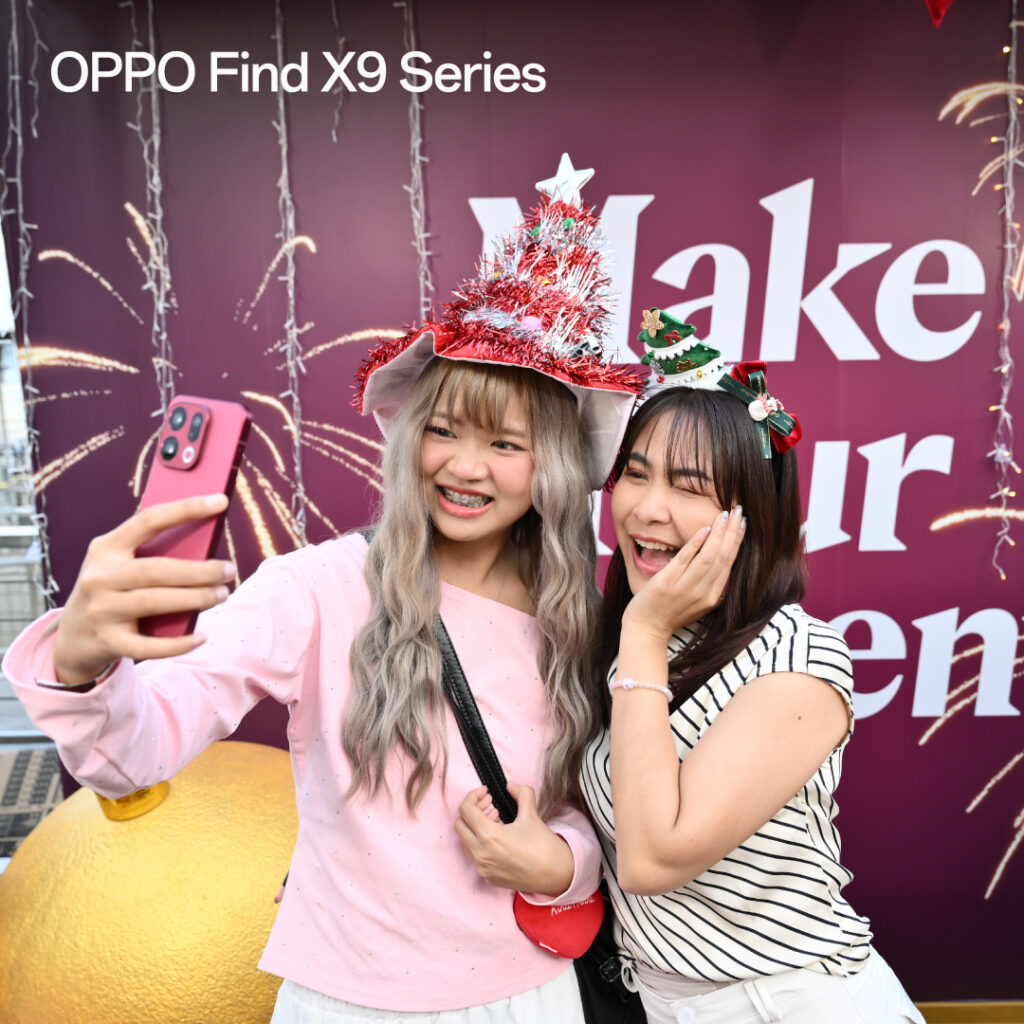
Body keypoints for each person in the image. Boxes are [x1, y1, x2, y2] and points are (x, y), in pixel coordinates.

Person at [3, 158, 644, 1023]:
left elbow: (593, 813)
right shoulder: (317, 590)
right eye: (444, 429)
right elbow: (134, 756)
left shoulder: (579, 621)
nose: (464, 466)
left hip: (528, 996)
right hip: (347, 1002)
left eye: (506, 444)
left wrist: (559, 865)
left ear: (554, 468)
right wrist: (84, 671)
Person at [579, 307, 925, 1024]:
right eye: (635, 475)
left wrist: (644, 635)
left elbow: (652, 858)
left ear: (752, 512)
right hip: (665, 1006)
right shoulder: (627, 638)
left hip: (789, 1004)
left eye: (689, 486)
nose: (648, 509)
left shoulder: (797, 659)